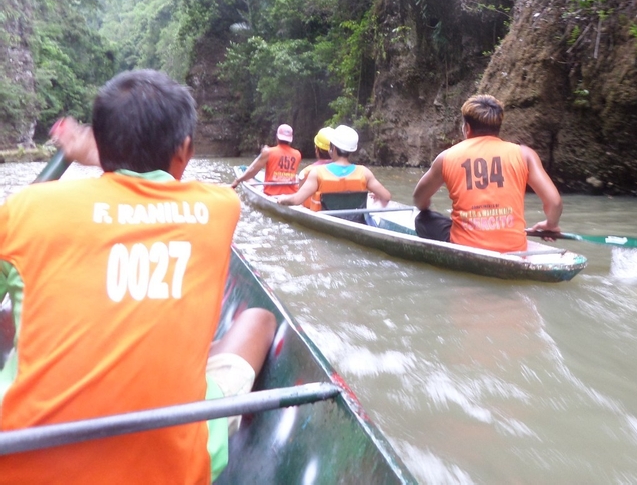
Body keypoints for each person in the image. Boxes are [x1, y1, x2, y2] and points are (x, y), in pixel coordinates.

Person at [0, 69, 277, 484]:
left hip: (18, 464)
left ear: (101, 143)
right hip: (175, 469)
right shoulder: (219, 207)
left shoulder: (25, 209)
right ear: (185, 151)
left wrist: (84, 155)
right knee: (259, 320)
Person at [411, 94, 562, 252]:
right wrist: (550, 224)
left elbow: (418, 198)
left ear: (467, 128)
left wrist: (425, 206)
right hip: (515, 247)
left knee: (423, 219)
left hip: (465, 245)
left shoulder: (446, 157)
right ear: (497, 127)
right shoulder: (525, 155)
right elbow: (555, 203)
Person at [275, 125, 391, 211]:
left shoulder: (317, 173)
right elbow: (386, 197)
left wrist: (282, 199)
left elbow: (296, 200)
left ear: (333, 149)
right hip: (355, 219)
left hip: (327, 217)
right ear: (351, 151)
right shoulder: (365, 172)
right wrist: (377, 194)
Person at [231, 123, 302, 194]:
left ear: (277, 137)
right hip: (291, 194)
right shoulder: (297, 154)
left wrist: (238, 180)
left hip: (271, 193)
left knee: (248, 179)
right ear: (290, 139)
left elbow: (252, 172)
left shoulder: (268, 152)